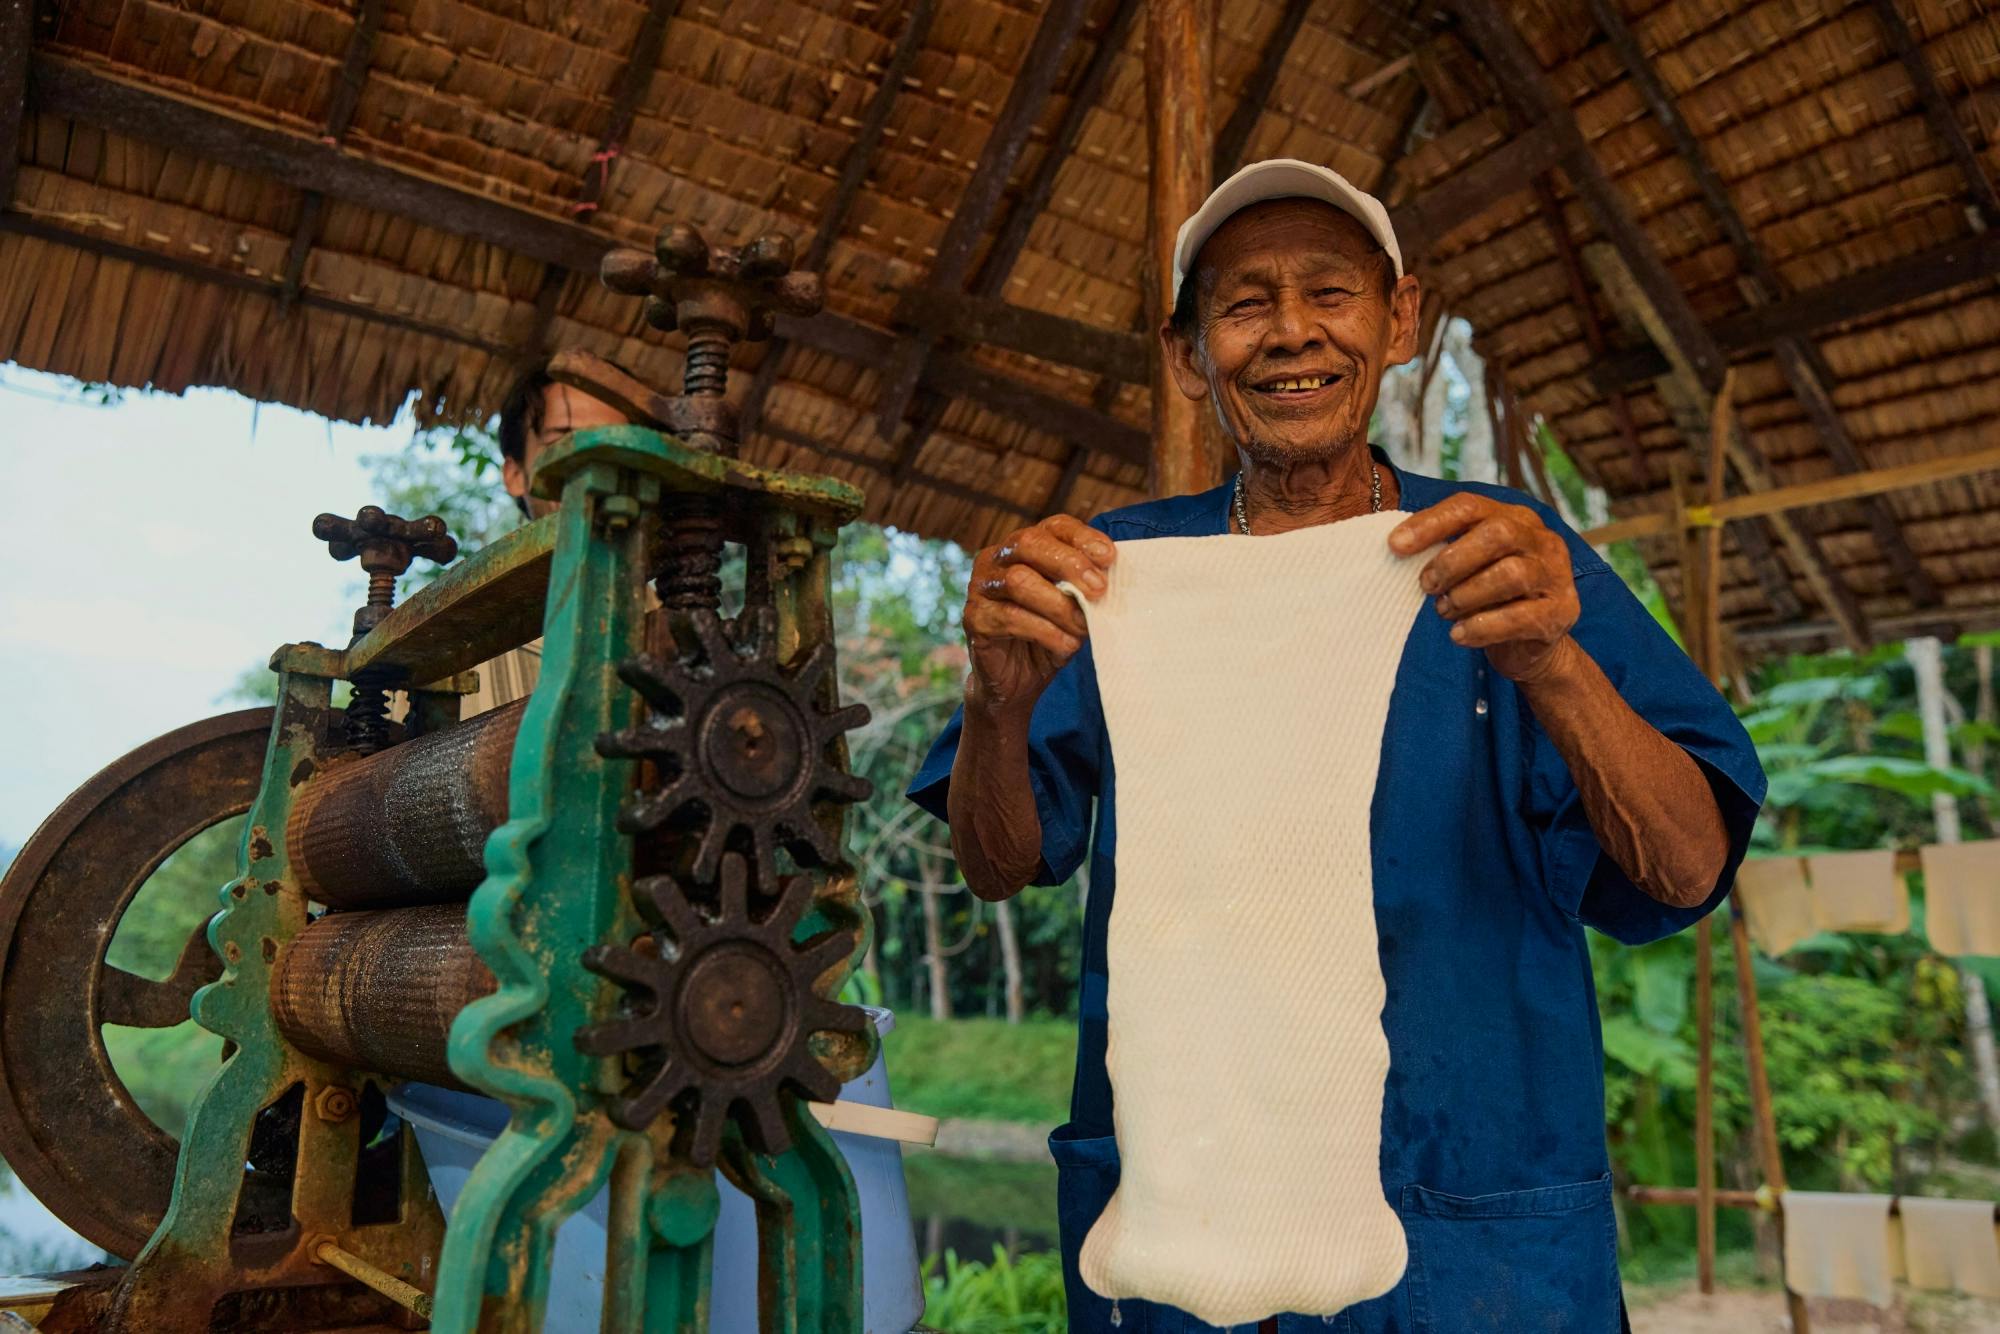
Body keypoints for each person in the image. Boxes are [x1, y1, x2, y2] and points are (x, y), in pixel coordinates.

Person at [904, 158, 1765, 1332]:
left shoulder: (1509, 563)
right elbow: (999, 861)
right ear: (1186, 355)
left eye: (1330, 291)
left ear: (1398, 318)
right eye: (1244, 302)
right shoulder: (1111, 576)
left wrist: (1553, 662)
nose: (1290, 332)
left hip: (1475, 1234)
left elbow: (1685, 866)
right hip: (1182, 1217)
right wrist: (997, 703)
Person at [463, 357, 635, 716]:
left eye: (618, 445)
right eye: (565, 443)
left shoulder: (684, 624)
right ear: (515, 474)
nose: (595, 466)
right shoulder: (454, 655)